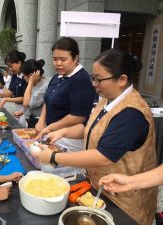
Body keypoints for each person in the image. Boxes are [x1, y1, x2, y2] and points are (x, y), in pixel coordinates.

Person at [33, 49, 157, 225]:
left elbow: (103, 156)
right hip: (102, 190)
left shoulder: (132, 113)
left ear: (122, 80)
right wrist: (62, 132)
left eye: (99, 79)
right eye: (93, 77)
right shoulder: (108, 98)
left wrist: (53, 157)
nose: (94, 84)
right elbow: (92, 128)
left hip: (125, 200)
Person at [35, 37, 95, 140]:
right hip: (50, 131)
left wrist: (50, 127)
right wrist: (41, 120)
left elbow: (78, 117)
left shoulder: (80, 79)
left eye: (63, 59)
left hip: (69, 138)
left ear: (75, 58)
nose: (58, 63)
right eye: (55, 59)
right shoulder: (57, 76)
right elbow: (48, 100)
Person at [20, 59, 48, 128]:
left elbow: (26, 103)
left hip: (39, 123)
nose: (23, 78)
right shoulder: (34, 84)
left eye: (24, 75)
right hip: (31, 120)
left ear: (31, 75)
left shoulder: (45, 86)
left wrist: (30, 82)